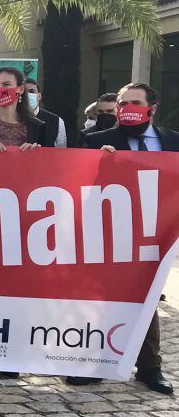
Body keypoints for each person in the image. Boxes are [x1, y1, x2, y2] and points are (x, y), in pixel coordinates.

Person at [69, 82, 178, 395]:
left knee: (147, 297)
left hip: (156, 233)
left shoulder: (173, 142)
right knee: (103, 298)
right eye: (122, 103)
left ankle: (149, 368)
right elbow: (78, 183)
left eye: (135, 102)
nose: (127, 109)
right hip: (109, 232)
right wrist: (100, 163)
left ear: (152, 108)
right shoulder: (95, 140)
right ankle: (94, 364)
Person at [24, 78, 65, 147]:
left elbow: (61, 149)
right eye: (24, 92)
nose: (28, 95)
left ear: (39, 96)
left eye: (32, 91)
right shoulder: (12, 119)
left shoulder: (56, 121)